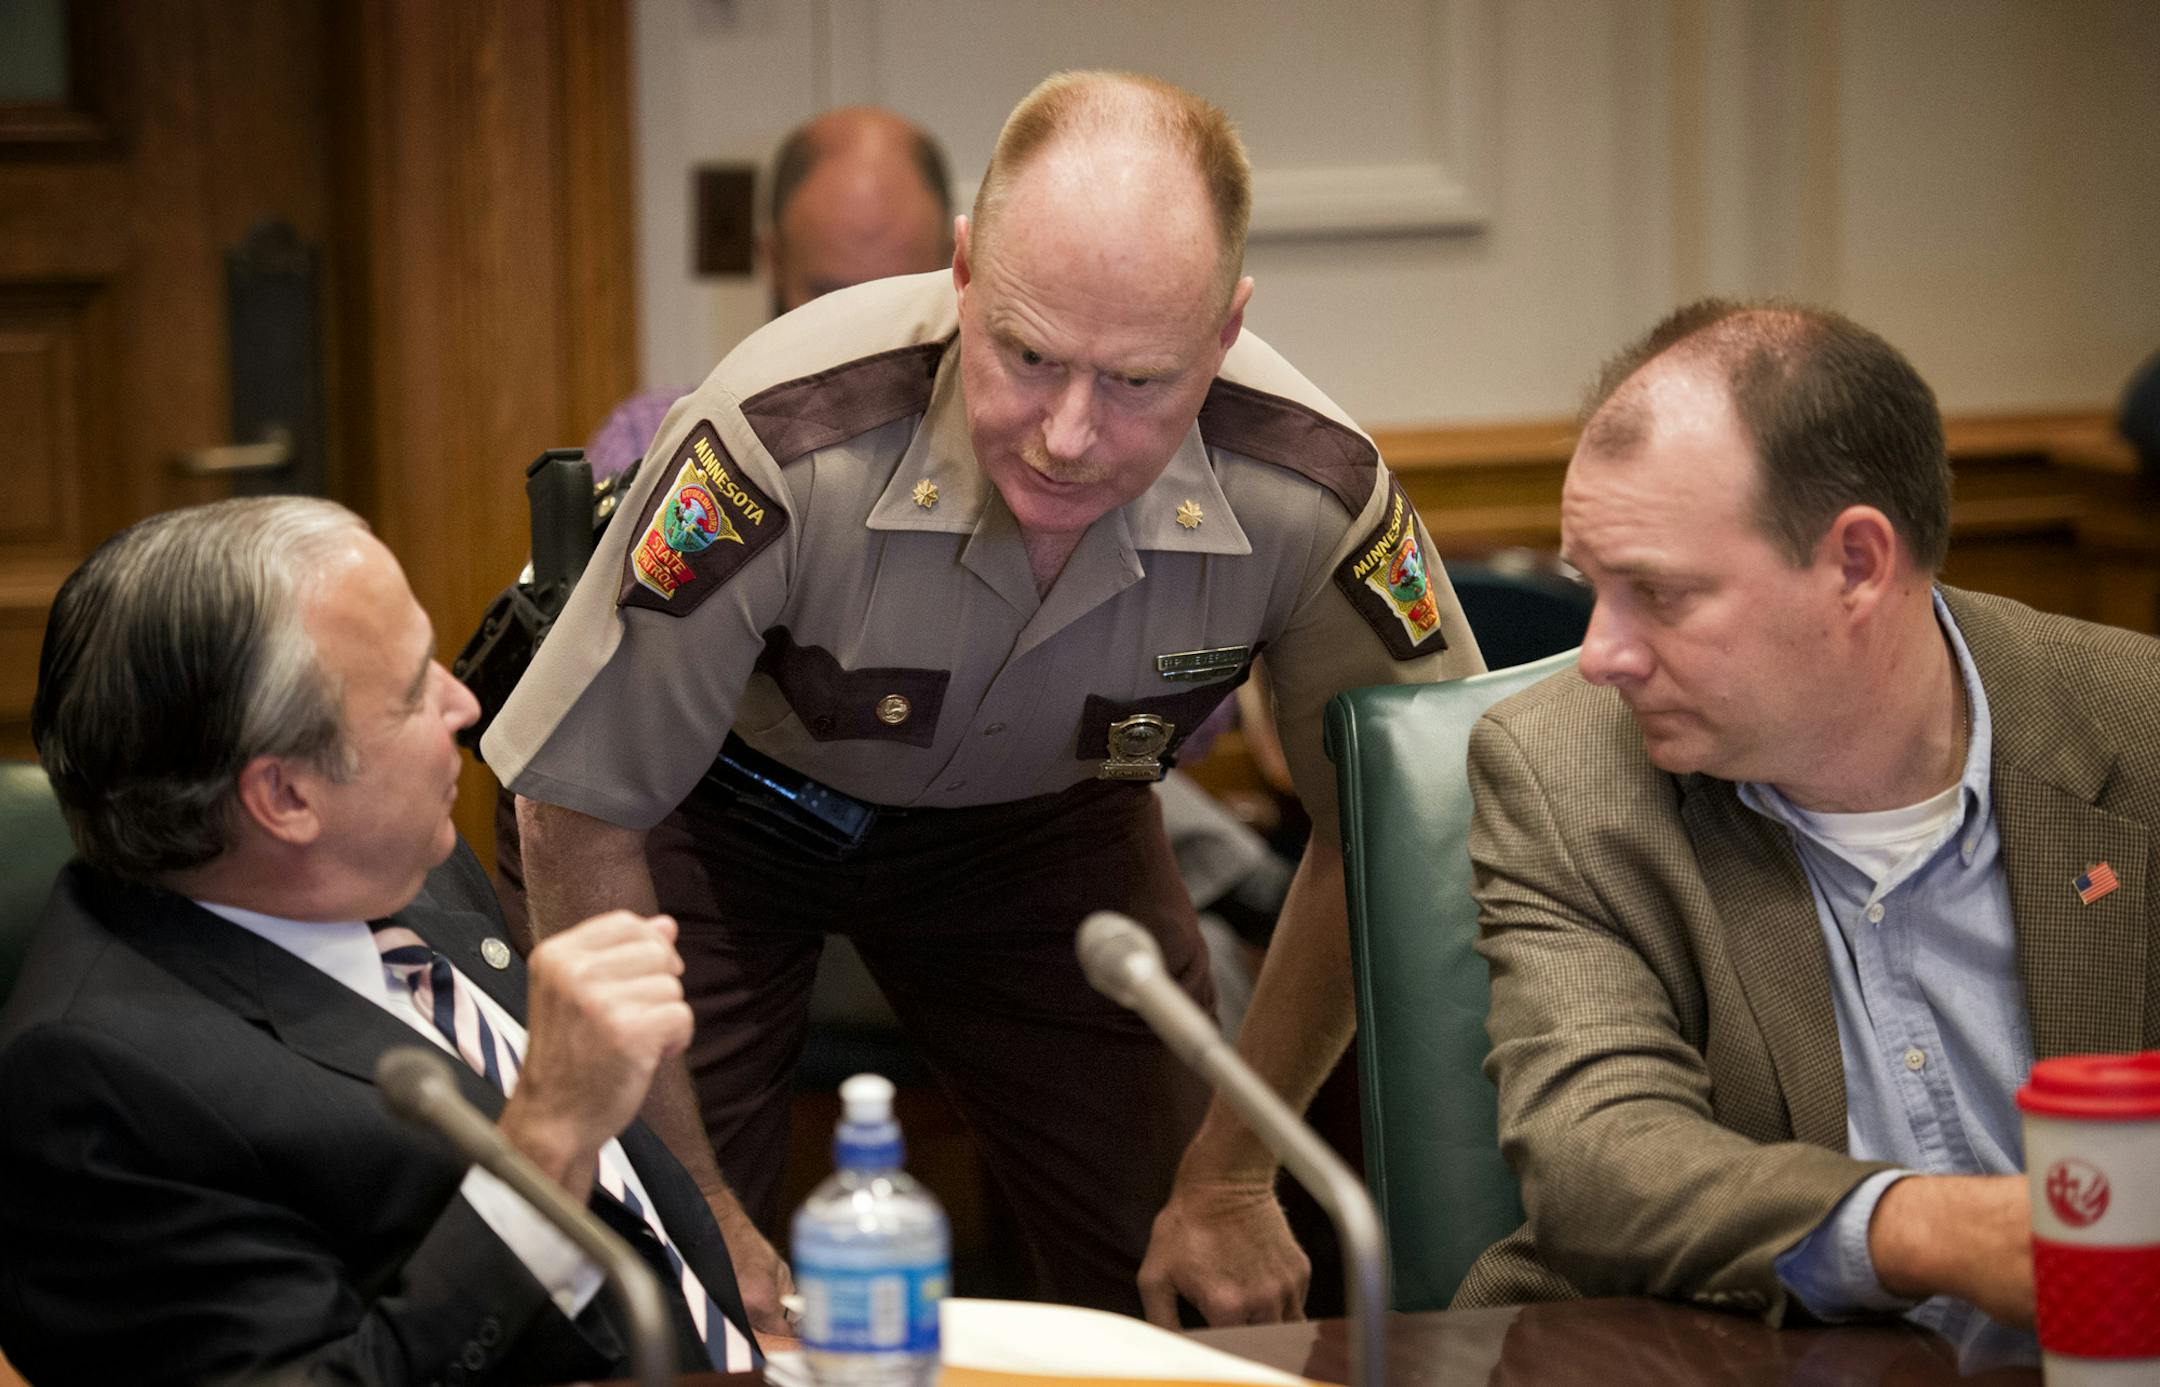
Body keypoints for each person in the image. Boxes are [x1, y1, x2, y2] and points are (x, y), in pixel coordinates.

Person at [484, 70, 1483, 1326]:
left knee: (1189, 1275)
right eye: (1026, 355)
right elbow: (574, 806)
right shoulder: (780, 437)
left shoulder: (1307, 488)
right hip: (716, 817)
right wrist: (697, 1202)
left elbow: (1404, 830)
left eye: (1137, 382)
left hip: (1040, 830)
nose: (1067, 434)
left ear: (1224, 335)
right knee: (678, 1290)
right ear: (961, 273)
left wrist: (1234, 1173)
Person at [1455, 299, 2160, 1360]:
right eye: (1591, 586)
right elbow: (1598, 1155)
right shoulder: (1565, 774)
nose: (1600, 653)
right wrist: (1933, 1228)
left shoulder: (2135, 730)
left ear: (1859, 565)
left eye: (1657, 592)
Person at [0, 498, 758, 1385]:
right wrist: (546, 1139)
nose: (463, 702)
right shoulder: (92, 1092)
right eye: (409, 694)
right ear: (284, 797)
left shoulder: (393, 860)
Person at [584, 106, 954, 483]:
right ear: (773, 262)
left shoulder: (992, 459)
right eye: (830, 297)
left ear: (954, 268)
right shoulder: (651, 448)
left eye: (898, 299)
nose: (864, 340)